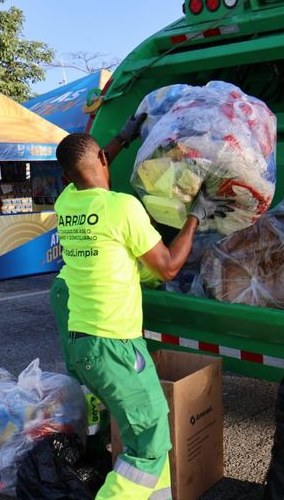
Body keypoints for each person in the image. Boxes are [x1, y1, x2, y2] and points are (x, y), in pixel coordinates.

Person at [50, 115, 228, 500]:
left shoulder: (66, 202)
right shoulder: (122, 208)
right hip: (113, 343)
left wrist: (123, 136)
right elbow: (167, 267)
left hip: (83, 338)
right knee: (149, 443)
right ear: (100, 159)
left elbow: (89, 161)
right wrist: (197, 214)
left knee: (148, 434)